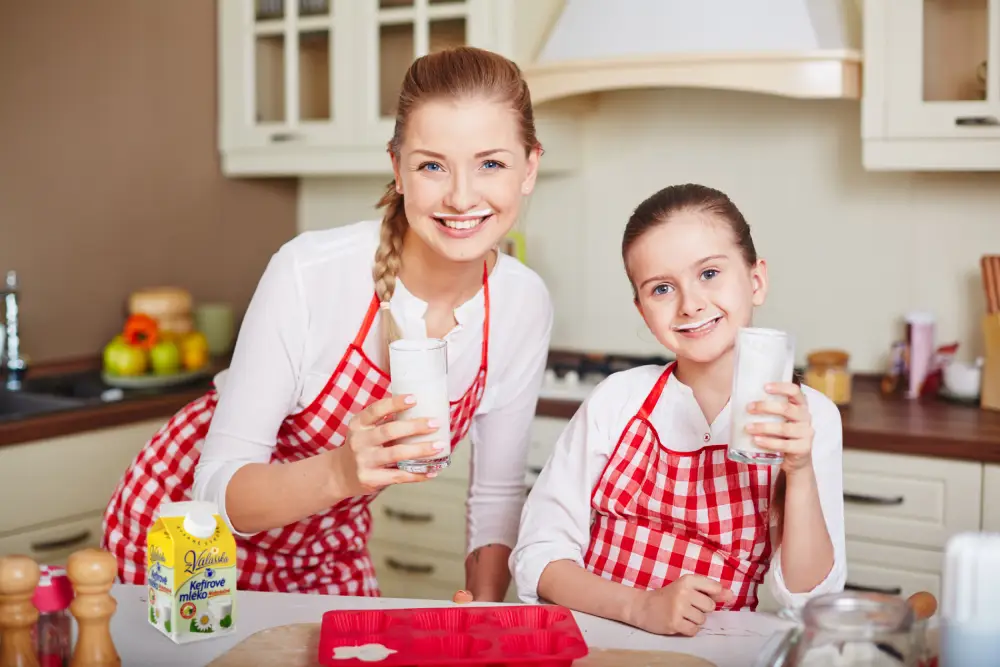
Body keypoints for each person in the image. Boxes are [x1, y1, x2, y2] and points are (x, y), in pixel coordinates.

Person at [102, 46, 552, 602]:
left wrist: (483, 608)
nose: (461, 196)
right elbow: (215, 493)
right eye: (432, 165)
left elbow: (497, 494)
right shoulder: (310, 272)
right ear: (398, 168)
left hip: (324, 549)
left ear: (529, 167)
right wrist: (342, 472)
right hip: (184, 534)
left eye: (491, 163)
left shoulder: (521, 302)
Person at [510, 183, 845, 635]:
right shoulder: (618, 400)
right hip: (593, 642)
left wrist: (799, 469)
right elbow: (538, 555)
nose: (690, 304)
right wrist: (639, 607)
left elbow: (810, 599)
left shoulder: (809, 418)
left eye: (709, 274)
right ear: (642, 309)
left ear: (756, 280)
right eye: (662, 288)